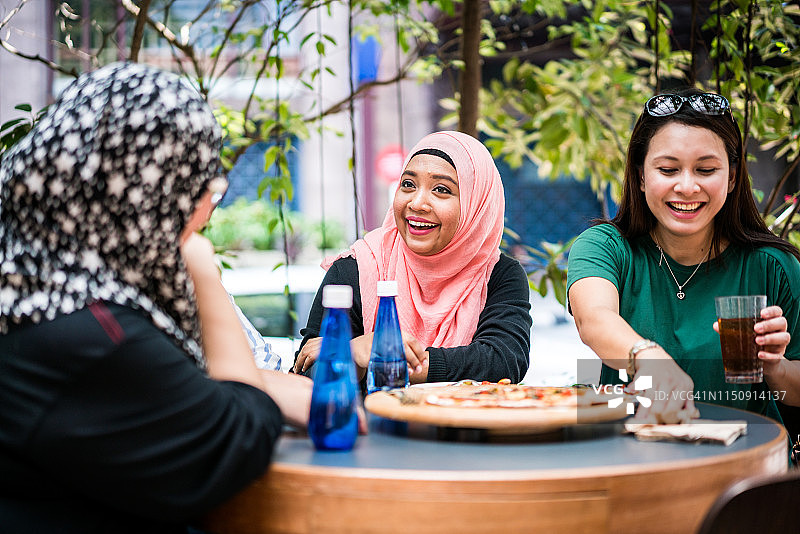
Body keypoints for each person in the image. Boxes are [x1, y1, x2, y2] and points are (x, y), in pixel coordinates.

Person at [0, 62, 312, 533]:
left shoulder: (34, 282)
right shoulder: (91, 329)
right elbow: (233, 440)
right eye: (200, 179)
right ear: (147, 191)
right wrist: (202, 268)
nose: (213, 196)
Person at [567, 88, 800, 423]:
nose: (687, 187)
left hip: (746, 462)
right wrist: (649, 359)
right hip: (632, 455)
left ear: (732, 177)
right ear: (641, 176)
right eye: (668, 169)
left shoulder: (773, 266)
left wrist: (775, 366)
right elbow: (594, 320)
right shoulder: (605, 247)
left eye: (706, 170)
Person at [293, 131, 532, 386]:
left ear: (476, 205)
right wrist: (354, 351)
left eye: (441, 189)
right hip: (373, 425)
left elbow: (503, 361)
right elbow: (305, 373)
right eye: (408, 184)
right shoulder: (356, 268)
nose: (417, 203)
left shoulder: (498, 273)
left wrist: (379, 357)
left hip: (466, 425)